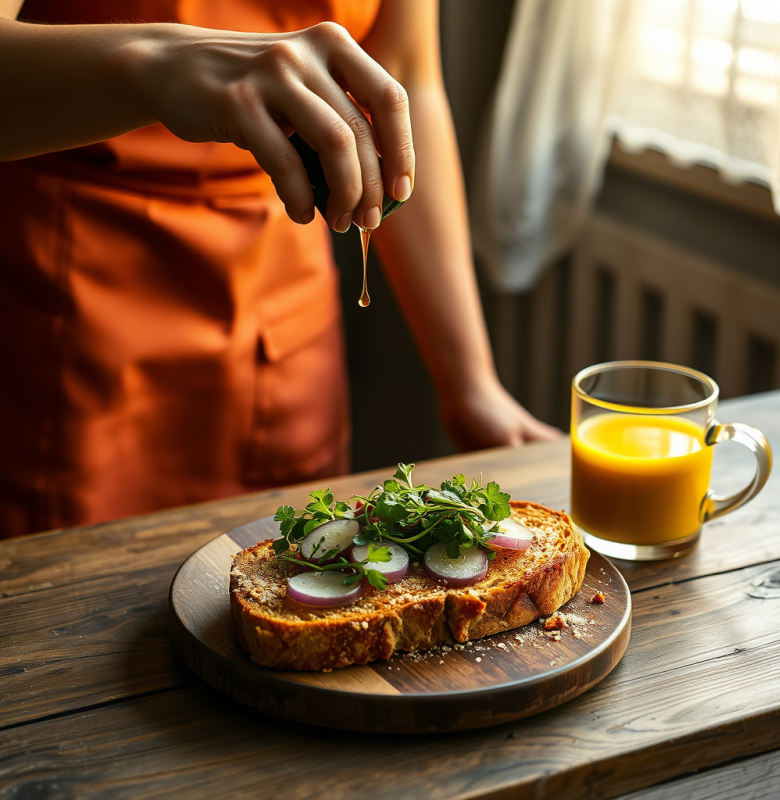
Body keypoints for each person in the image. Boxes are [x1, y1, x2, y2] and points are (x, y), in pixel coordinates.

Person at [0, 0, 559, 538]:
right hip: (66, 306)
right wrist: (157, 60)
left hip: (283, 320)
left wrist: (469, 382)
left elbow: (404, 77)